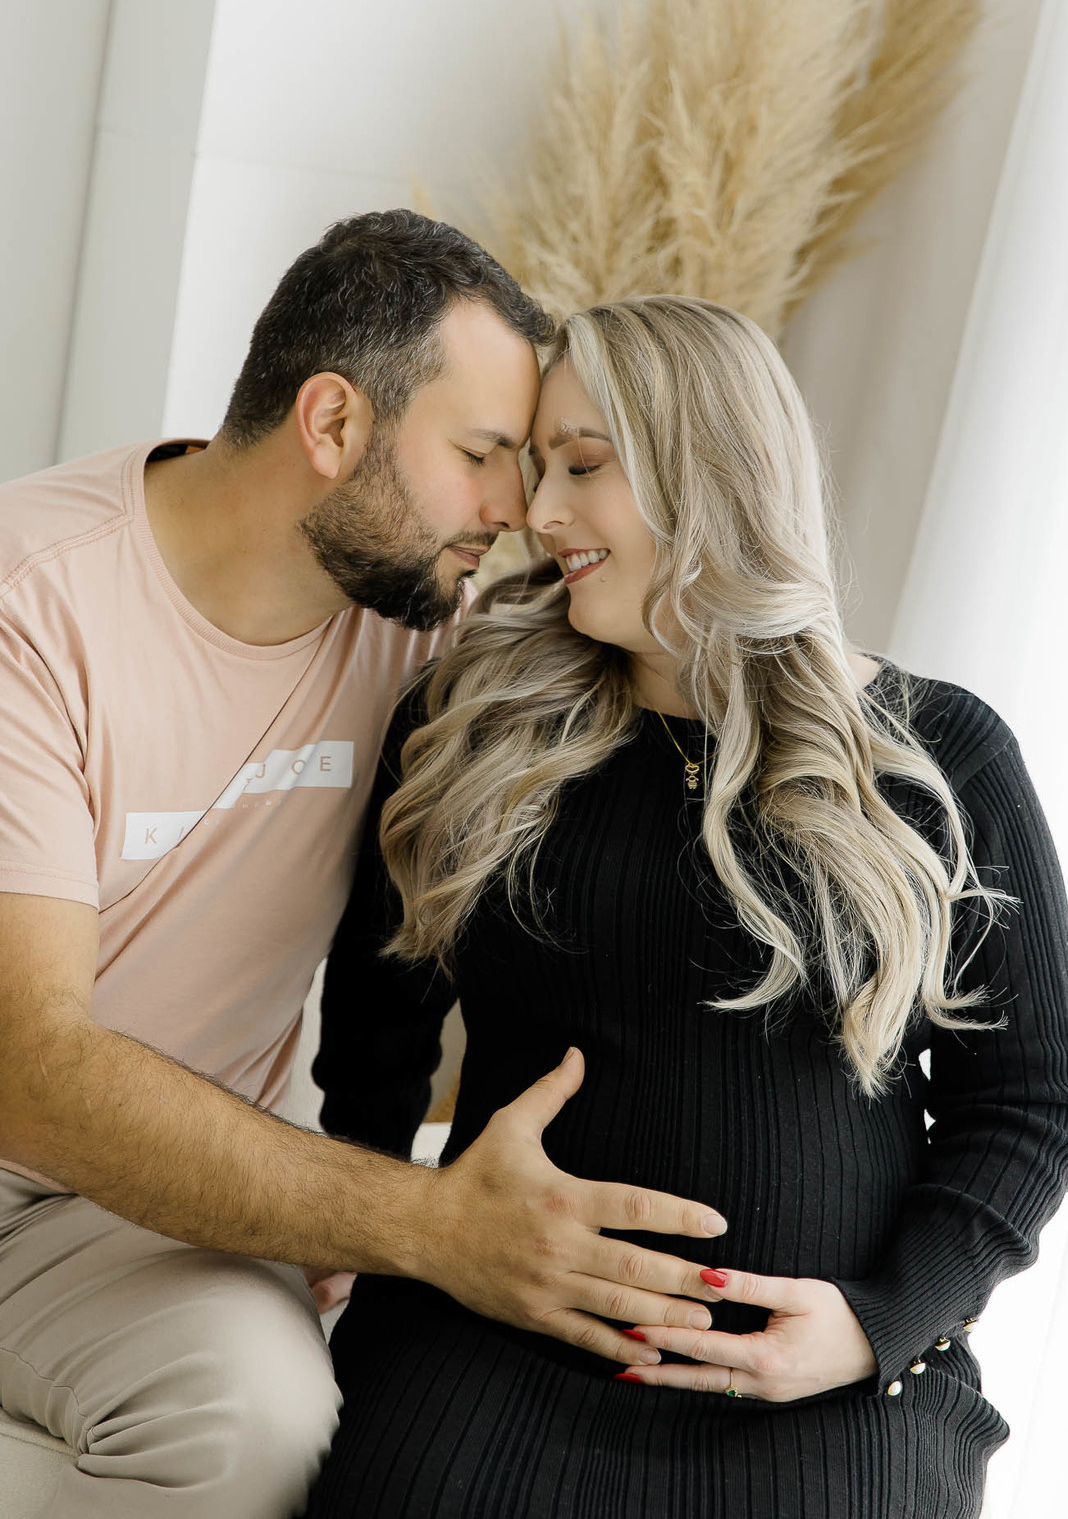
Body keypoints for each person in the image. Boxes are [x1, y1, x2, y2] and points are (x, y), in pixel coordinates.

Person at [307, 295, 1068, 1519]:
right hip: (494, 1337)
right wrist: (373, 1239)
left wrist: (877, 1326)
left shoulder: (939, 756)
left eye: (583, 465)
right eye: (536, 467)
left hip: (822, 1392)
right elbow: (376, 1038)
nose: (539, 512)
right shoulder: (471, 724)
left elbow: (1034, 1107)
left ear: (711, 473)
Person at [0, 220, 732, 1519]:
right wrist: (422, 1222)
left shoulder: (421, 633)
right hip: (36, 1119)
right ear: (333, 423)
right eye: (481, 456)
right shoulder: (32, 604)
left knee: (260, 1427)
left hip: (133, 1219)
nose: (516, 511)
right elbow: (31, 1070)